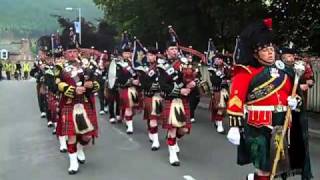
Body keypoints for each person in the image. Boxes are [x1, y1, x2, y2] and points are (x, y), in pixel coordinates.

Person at [226, 18, 312, 180]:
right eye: (264, 49)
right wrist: (234, 126)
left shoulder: (284, 71)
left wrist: (296, 103)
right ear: (255, 53)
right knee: (265, 169)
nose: (270, 52)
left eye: (271, 48)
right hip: (258, 125)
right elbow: (236, 100)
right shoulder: (245, 72)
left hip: (282, 124)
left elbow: (294, 96)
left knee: (278, 167)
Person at [56, 54, 100, 174]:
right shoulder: (61, 68)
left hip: (84, 103)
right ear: (66, 54)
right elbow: (57, 84)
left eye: (74, 51)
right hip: (69, 103)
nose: (71, 54)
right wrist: (72, 89)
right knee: (71, 135)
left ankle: (79, 148)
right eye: (69, 52)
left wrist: (92, 85)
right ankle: (73, 162)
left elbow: (96, 82)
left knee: (87, 136)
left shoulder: (86, 65)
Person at [158, 41, 194, 166]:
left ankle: (173, 141)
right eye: (171, 49)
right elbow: (163, 86)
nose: (174, 51)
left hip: (183, 100)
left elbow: (189, 78)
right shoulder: (162, 66)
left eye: (175, 48)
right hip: (171, 99)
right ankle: (172, 154)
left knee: (183, 129)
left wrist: (191, 83)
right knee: (172, 128)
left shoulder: (183, 63)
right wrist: (180, 90)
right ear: (166, 51)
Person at [139, 47, 162, 150]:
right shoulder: (143, 68)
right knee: (151, 117)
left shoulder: (161, 67)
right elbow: (143, 83)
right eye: (148, 55)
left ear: (156, 56)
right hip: (148, 95)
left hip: (158, 96)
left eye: (152, 55)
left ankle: (153, 134)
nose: (149, 57)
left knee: (154, 118)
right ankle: (156, 141)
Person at [114, 47, 141, 134]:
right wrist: (131, 80)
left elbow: (138, 74)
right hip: (125, 87)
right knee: (128, 106)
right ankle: (130, 127)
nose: (127, 55)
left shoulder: (134, 64)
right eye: (125, 53)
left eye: (129, 53)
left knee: (133, 108)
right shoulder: (119, 64)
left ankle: (126, 117)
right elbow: (120, 77)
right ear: (122, 54)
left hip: (135, 88)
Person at [208, 53, 231, 133]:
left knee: (224, 109)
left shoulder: (225, 68)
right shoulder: (212, 69)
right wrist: (225, 80)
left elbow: (230, 76)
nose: (219, 60)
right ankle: (220, 125)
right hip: (217, 91)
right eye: (217, 59)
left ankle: (218, 121)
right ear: (214, 60)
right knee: (220, 108)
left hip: (225, 91)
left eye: (221, 59)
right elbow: (214, 80)